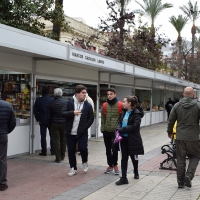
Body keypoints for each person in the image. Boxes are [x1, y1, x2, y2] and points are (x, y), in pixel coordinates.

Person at [167, 87, 200, 189]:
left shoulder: (177, 105)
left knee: (181, 159)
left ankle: (180, 182)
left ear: (183, 94)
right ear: (193, 95)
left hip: (180, 137)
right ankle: (189, 175)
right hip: (193, 137)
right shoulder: (198, 105)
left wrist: (169, 132)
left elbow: (171, 120)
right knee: (195, 156)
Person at [61, 85, 94, 176]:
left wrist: (85, 127)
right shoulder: (69, 103)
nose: (85, 95)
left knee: (83, 148)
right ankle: (73, 168)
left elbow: (91, 118)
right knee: (71, 150)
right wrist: (72, 113)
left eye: (85, 93)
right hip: (70, 131)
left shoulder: (87, 105)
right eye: (83, 93)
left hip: (82, 132)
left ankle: (84, 162)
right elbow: (62, 113)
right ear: (77, 93)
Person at [115, 96, 144, 185]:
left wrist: (122, 129)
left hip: (133, 139)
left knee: (133, 157)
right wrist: (118, 128)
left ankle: (136, 171)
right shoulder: (124, 112)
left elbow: (135, 126)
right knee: (124, 158)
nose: (122, 103)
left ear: (129, 103)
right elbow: (120, 122)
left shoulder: (137, 113)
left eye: (124, 101)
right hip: (123, 139)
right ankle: (124, 178)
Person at [101, 88, 122, 175]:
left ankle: (115, 165)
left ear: (115, 94)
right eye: (108, 94)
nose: (109, 96)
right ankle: (110, 165)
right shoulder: (104, 105)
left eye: (111, 94)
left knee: (115, 149)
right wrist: (102, 129)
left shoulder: (120, 105)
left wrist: (119, 130)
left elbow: (122, 119)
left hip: (116, 132)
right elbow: (103, 119)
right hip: (106, 131)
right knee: (108, 150)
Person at [47, 88, 67, 163]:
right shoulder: (66, 102)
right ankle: (63, 155)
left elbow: (48, 116)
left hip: (54, 124)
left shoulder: (51, 103)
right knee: (63, 140)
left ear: (54, 94)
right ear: (61, 94)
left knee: (56, 141)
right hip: (64, 123)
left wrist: (49, 125)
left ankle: (58, 157)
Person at [0, 99, 16, 191]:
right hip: (2, 135)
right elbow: (13, 122)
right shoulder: (8, 105)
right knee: (2, 159)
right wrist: (6, 131)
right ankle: (2, 183)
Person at [34, 87, 54, 156]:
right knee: (52, 136)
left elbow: (35, 111)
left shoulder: (38, 100)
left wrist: (38, 118)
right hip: (51, 120)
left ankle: (44, 151)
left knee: (43, 136)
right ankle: (53, 151)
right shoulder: (52, 99)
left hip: (42, 119)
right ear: (49, 92)